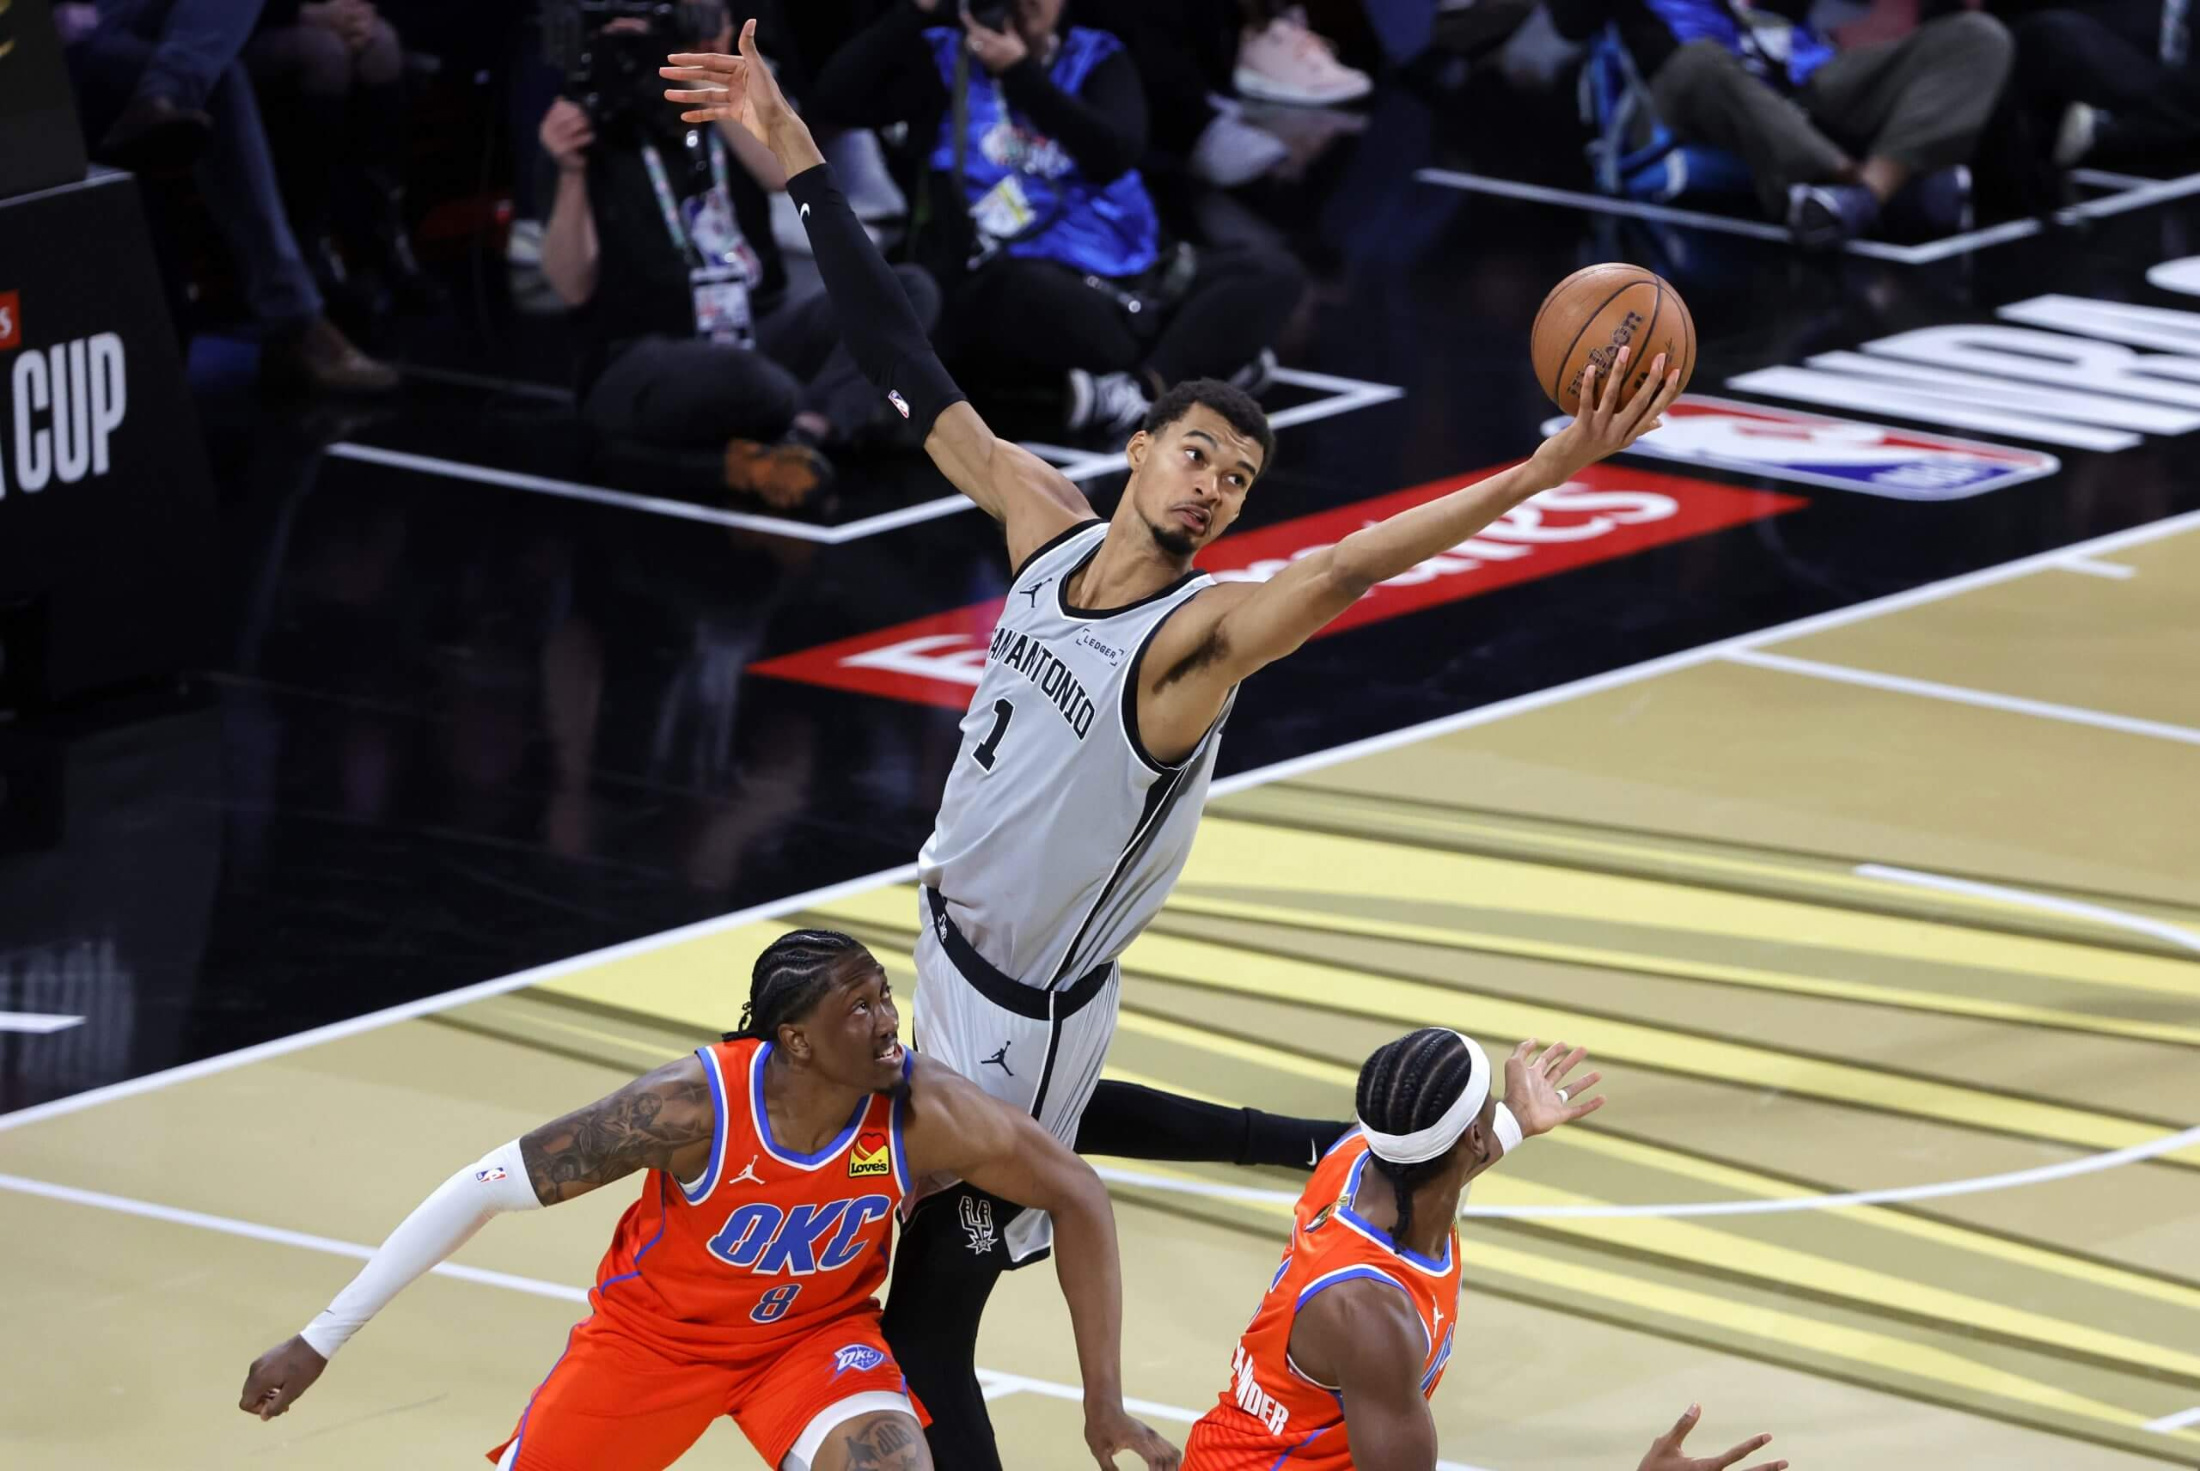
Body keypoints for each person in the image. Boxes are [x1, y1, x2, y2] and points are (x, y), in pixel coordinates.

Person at [664, 23, 1680, 1469]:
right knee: (889, 1252)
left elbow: (1348, 566)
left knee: (923, 1327)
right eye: (1198, 453)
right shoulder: (1040, 524)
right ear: (1139, 446)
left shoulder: (1192, 646)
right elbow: (901, 353)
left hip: (1022, 1014)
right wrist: (798, 154)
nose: (1214, 486)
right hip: (951, 953)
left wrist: (1542, 468)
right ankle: (1320, 1142)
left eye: (1240, 479)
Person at [235, 929, 1179, 1471]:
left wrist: (1103, 1401)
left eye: (886, 996)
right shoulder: (690, 1109)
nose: (889, 1021)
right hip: (651, 1344)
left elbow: (1077, 1194)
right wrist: (321, 1337)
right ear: (795, 1040)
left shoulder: (925, 1110)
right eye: (858, 1007)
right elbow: (484, 1185)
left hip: (810, 1342)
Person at [1182, 1029, 1785, 1471]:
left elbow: (1444, 1161)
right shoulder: (1372, 1316)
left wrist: (1518, 1119)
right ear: (1472, 1134)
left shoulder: (1359, 1158)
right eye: (1491, 1104)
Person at [806, 0, 1305, 436]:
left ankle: (1139, 390)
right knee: (1026, 298)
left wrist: (1021, 74)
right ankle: (1201, 361)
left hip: (1134, 273)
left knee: (1272, 272)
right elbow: (832, 100)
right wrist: (914, 11)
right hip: (1019, 281)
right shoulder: (942, 62)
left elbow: (1114, 153)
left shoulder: (1098, 56)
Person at [540, 14, 942, 508]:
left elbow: (783, 175)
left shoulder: (728, 113)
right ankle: (841, 414)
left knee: (905, 289)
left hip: (755, 330)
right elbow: (571, 287)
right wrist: (570, 171)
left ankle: (808, 430)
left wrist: (710, 92)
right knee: (755, 380)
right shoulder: (589, 127)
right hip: (642, 355)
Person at [65, 0, 399, 391]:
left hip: (179, 28)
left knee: (350, 48)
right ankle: (296, 320)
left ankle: (165, 93)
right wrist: (301, 15)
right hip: (77, 30)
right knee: (222, 74)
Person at [1548, 0, 2013, 247]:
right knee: (1701, 63)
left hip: (1802, 77)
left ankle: (1865, 197)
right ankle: (1864, 183)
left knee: (1977, 36)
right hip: (1697, 87)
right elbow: (1569, 21)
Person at [244, 0, 440, 313]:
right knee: (326, 55)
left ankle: (383, 239)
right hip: (249, 28)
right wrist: (307, 15)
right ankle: (312, 244)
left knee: (382, 45)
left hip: (326, 17)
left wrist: (355, 14)